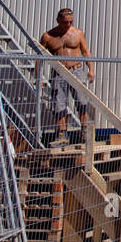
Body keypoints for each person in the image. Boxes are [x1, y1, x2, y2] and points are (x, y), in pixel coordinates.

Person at [39, 8, 95, 145]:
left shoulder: (78, 33)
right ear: (58, 20)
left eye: (70, 22)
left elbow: (85, 51)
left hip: (76, 70)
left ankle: (85, 131)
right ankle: (62, 134)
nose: (68, 25)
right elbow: (38, 56)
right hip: (59, 73)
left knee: (81, 101)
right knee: (59, 104)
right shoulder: (48, 36)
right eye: (65, 22)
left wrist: (91, 69)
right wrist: (39, 76)